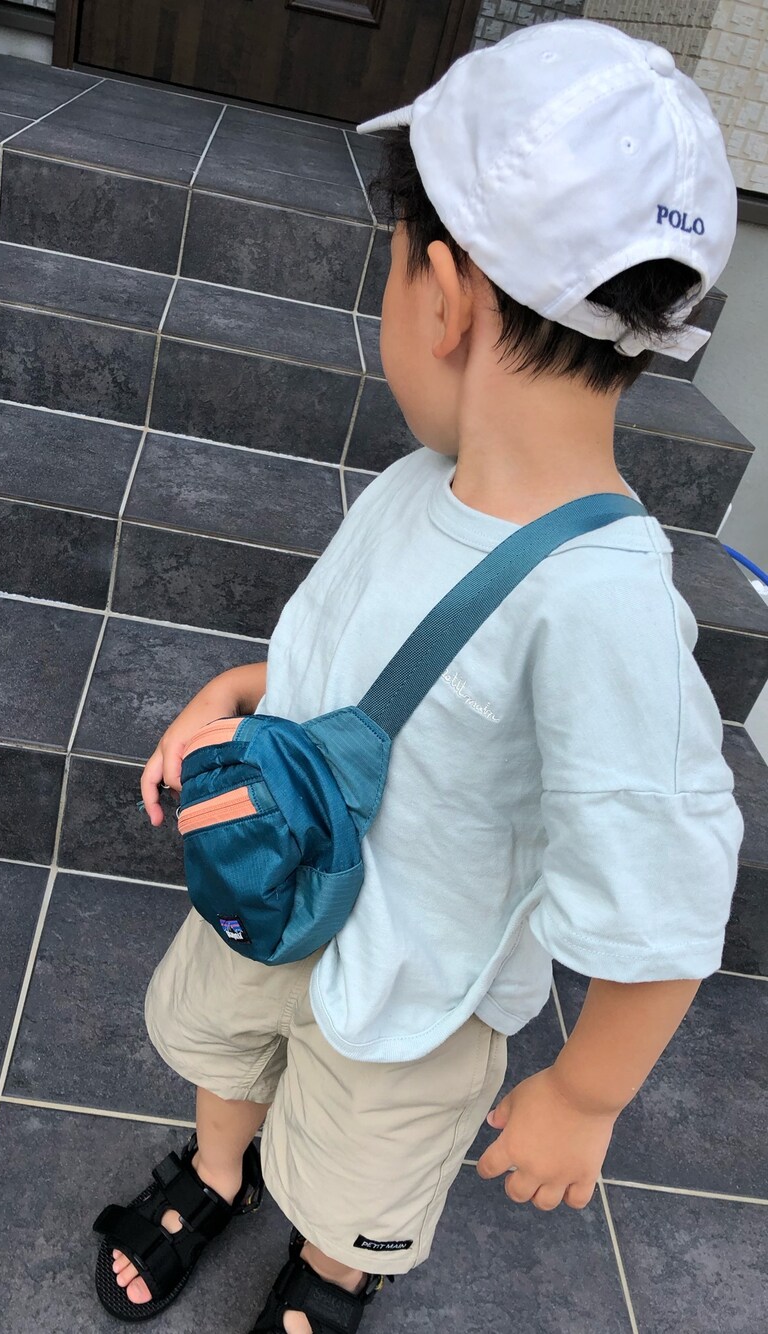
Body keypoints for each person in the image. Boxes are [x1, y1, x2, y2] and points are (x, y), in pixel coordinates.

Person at [93, 18, 745, 1333]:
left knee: (362, 1165)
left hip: (420, 992)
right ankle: (219, 1170)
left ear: (443, 296)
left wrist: (586, 1095)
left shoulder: (608, 608)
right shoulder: (414, 488)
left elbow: (670, 893)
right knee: (230, 1045)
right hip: (279, 890)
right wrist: (246, 693)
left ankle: (335, 1263)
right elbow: (359, 668)